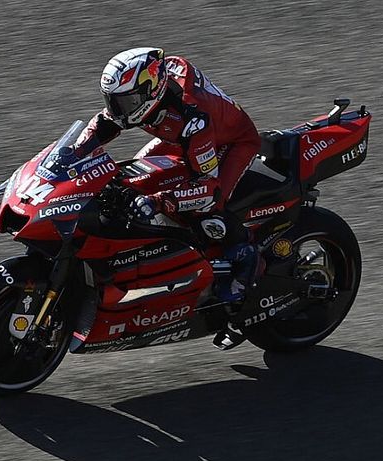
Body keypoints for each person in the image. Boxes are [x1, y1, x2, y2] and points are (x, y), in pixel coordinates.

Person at [74, 47, 262, 302]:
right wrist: (73, 155)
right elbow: (103, 124)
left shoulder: (192, 117)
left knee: (207, 208)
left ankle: (245, 256)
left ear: (151, 91)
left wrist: (159, 200)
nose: (118, 110)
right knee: (131, 178)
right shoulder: (146, 93)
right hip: (178, 137)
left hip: (229, 141)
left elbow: (207, 187)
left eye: (125, 103)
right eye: (113, 101)